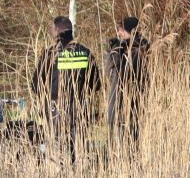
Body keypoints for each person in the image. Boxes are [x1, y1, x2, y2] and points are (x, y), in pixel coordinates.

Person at [31, 14, 99, 162]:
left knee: (57, 149)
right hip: (80, 108)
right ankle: (77, 175)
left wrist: (46, 101)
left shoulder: (50, 54)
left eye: (51, 30)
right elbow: (97, 83)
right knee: (78, 148)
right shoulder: (85, 52)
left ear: (56, 31)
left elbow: (36, 85)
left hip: (56, 109)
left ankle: (60, 177)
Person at [105, 15, 151, 146]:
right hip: (132, 104)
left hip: (127, 104)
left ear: (130, 31)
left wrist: (115, 52)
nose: (118, 33)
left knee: (128, 142)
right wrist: (113, 50)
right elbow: (108, 73)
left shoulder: (138, 51)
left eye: (121, 30)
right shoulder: (140, 48)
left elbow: (120, 73)